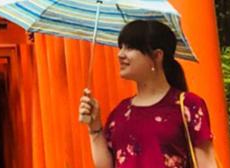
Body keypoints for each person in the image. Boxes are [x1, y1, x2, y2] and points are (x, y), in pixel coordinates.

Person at [78, 20, 217, 168]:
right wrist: (95, 128)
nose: (120, 54)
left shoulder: (188, 105)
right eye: (121, 47)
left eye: (130, 47)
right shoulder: (120, 112)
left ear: (157, 55)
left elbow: (206, 163)